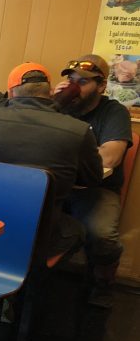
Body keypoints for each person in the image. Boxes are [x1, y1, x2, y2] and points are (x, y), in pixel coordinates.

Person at [0, 62, 102, 259]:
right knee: (76, 229)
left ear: (11, 93)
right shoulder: (79, 131)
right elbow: (92, 179)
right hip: (35, 238)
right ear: (50, 93)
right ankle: (35, 281)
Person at [52, 54, 133, 308]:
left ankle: (103, 283)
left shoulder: (113, 112)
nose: (74, 86)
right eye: (71, 80)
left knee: (101, 235)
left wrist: (65, 155)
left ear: (101, 86)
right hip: (56, 185)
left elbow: (110, 157)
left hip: (96, 189)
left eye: (83, 82)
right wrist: (52, 103)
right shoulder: (59, 108)